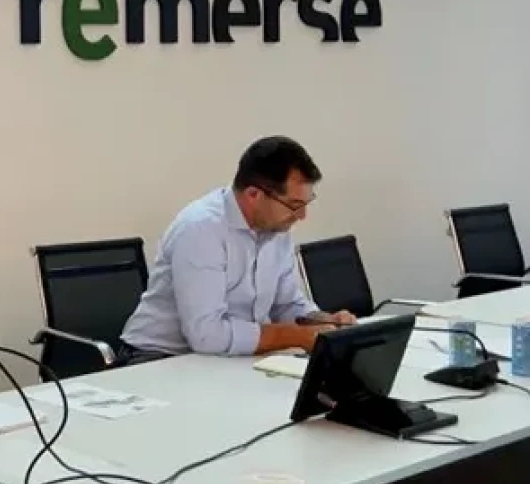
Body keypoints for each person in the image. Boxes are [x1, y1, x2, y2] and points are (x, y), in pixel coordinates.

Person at [118, 136, 356, 363]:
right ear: (253, 195)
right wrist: (295, 336)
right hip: (158, 357)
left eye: (306, 203)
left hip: (226, 359)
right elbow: (207, 335)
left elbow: (286, 304)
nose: (302, 216)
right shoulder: (201, 229)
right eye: (294, 205)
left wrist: (322, 323)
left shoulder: (276, 229)